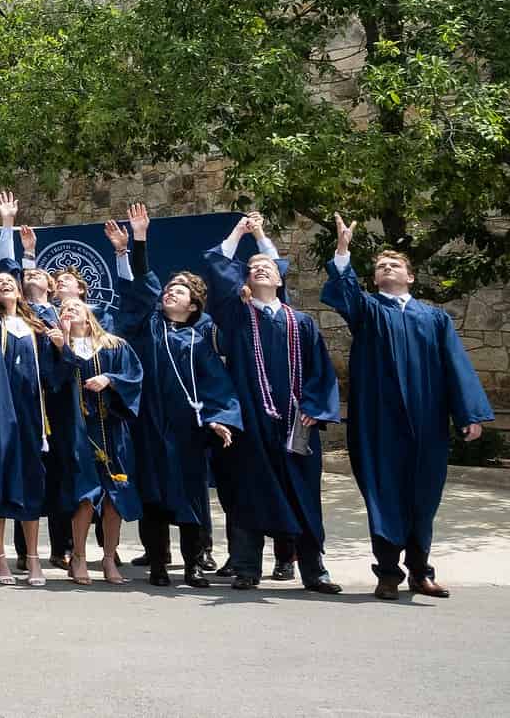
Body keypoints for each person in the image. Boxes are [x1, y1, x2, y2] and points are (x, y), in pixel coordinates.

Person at [323, 214, 495, 600]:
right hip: (378, 422)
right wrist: (343, 250)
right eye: (381, 266)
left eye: (394, 264)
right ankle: (387, 574)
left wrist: (469, 414)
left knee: (423, 495)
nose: (386, 268)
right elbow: (344, 294)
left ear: (410, 277)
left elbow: (456, 365)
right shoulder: (367, 311)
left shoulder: (433, 318)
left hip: (426, 420)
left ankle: (420, 572)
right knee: (383, 494)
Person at [198, 212, 341, 592]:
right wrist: (241, 231)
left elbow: (320, 372)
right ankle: (246, 568)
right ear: (245, 280)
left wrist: (314, 407)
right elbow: (216, 267)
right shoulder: (237, 316)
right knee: (249, 491)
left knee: (304, 496)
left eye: (267, 267)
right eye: (252, 268)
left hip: (296, 423)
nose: (259, 269)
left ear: (281, 279)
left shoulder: (302, 323)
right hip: (251, 419)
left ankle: (314, 569)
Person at [109, 204, 240, 589]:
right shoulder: (148, 326)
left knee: (191, 498)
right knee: (154, 496)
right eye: (169, 289)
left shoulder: (202, 336)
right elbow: (141, 287)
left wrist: (219, 418)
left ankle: (194, 564)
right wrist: (137, 242)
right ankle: (159, 565)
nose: (170, 293)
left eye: (179, 290)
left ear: (194, 304)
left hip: (187, 429)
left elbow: (217, 381)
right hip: (151, 423)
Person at [0, 214, 52, 586]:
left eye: (10, 282)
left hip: (33, 417)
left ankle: (33, 559)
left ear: (21, 292)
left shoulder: (37, 326)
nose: (4, 283)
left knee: (31, 483)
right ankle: (0, 556)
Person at [46, 297, 141, 584]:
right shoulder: (54, 347)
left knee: (115, 495)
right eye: (63, 309)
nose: (68, 310)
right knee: (84, 497)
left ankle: (109, 559)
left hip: (111, 430)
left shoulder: (114, 345)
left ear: (89, 317)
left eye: (75, 307)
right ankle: (78, 558)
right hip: (76, 431)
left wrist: (110, 379)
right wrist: (62, 347)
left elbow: (134, 377)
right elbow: (52, 383)